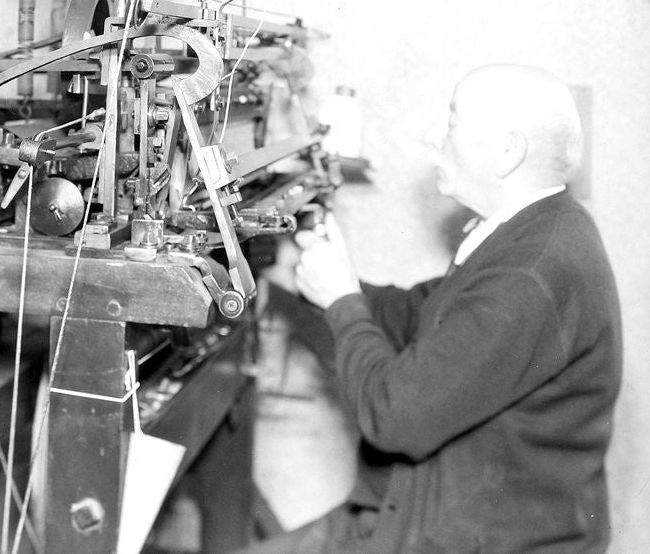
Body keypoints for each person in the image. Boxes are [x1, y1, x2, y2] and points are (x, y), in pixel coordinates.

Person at [246, 65, 623, 554]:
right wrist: (301, 271)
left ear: (508, 152)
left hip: (482, 539)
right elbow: (419, 313)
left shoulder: (530, 274)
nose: (431, 138)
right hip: (430, 511)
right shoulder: (534, 228)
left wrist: (341, 302)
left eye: (450, 123)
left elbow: (394, 417)